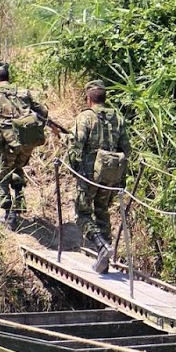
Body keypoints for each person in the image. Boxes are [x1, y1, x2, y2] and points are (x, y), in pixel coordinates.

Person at [67, 79, 131, 272]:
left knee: (82, 213)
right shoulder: (118, 118)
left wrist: (74, 169)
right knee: (102, 211)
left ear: (88, 99)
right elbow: (127, 149)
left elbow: (75, 147)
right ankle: (106, 259)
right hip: (111, 176)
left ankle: (101, 246)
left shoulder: (85, 117)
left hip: (89, 175)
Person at [0, 61, 51, 230]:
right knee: (17, 169)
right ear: (8, 77)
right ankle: (19, 204)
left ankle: (8, 214)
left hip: (8, 144)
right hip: (28, 142)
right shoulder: (24, 92)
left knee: (0, 174)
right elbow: (43, 112)